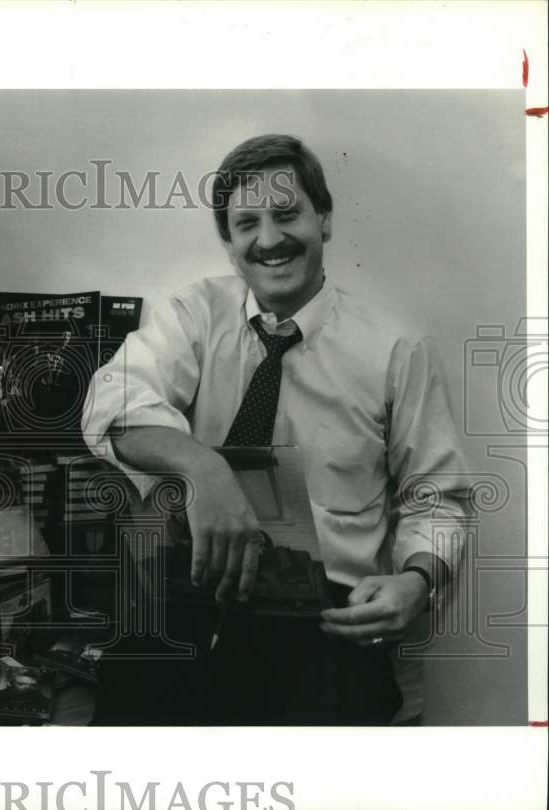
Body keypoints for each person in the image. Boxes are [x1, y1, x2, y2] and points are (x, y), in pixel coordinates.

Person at [81, 133, 470, 725]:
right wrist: (200, 467)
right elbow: (112, 402)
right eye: (246, 223)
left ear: (325, 219)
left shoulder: (396, 348)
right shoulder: (195, 313)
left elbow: (439, 497)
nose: (269, 239)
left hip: (326, 620)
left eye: (287, 214)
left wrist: (416, 582)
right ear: (228, 242)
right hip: (195, 599)